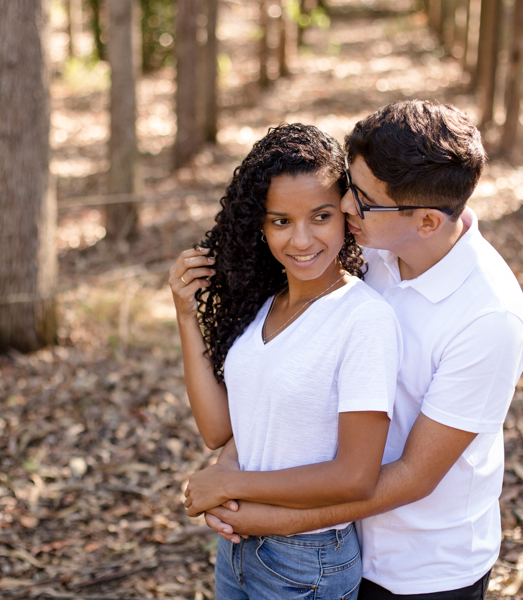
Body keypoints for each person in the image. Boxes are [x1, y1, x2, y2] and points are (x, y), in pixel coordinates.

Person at [196, 101, 523, 600]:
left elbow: (415, 477)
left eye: (364, 201)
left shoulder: (490, 320)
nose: (347, 207)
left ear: (425, 222)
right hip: (334, 542)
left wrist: (267, 516)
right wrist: (232, 464)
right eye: (352, 189)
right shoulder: (373, 244)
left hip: (420, 570)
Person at [168, 123, 401, 599]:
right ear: (260, 224)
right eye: (280, 221)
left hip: (308, 559)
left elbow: (355, 477)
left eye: (320, 217)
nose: (301, 240)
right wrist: (186, 317)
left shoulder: (363, 318)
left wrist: (230, 483)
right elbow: (219, 431)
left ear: (345, 217)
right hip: (237, 549)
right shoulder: (266, 303)